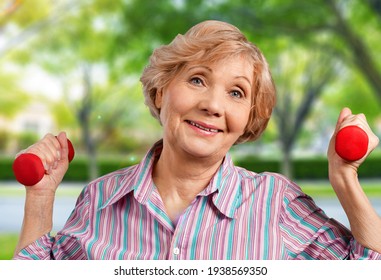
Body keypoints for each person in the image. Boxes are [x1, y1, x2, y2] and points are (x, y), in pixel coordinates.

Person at [13, 20, 381, 260]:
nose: (213, 105)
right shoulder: (99, 200)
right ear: (160, 93)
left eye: (236, 93)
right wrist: (41, 196)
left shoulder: (278, 203)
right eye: (197, 80)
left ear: (249, 118)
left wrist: (345, 178)